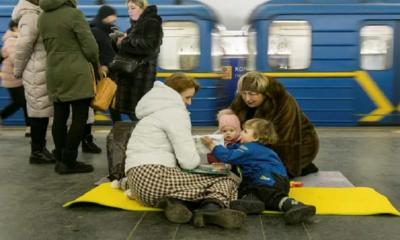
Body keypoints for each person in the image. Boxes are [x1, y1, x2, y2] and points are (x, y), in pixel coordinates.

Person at [125, 73, 246, 229]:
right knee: (228, 177)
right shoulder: (175, 113)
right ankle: (212, 208)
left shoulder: (152, 112)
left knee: (193, 183)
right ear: (174, 95)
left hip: (139, 187)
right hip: (155, 177)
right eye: (187, 97)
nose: (189, 103)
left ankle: (175, 204)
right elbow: (189, 162)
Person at [202, 118, 316, 224]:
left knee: (269, 194)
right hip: (267, 180)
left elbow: (229, 156)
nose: (241, 133)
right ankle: (252, 202)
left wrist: (213, 145)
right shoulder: (254, 148)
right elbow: (235, 153)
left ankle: (295, 206)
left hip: (270, 179)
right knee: (254, 191)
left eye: (245, 131)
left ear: (255, 138)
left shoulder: (250, 148)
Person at [38, 0, 99, 174]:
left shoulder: (42, 17)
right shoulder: (74, 14)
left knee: (60, 116)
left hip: (53, 70)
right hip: (75, 71)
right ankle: (69, 161)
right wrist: (96, 63)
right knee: (79, 117)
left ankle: (60, 159)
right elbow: (91, 48)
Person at [230, 71, 319, 178]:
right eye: (244, 93)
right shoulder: (242, 99)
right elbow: (231, 124)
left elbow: (287, 139)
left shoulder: (283, 102)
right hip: (260, 143)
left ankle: (302, 166)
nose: (247, 99)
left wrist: (284, 171)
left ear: (264, 92)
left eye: (252, 94)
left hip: (300, 146)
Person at [12, 0, 55, 164]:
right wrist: (18, 68)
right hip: (35, 70)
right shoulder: (30, 16)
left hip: (40, 68)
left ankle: (40, 149)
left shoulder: (36, 13)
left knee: (41, 111)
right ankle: (36, 152)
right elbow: (23, 45)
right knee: (39, 112)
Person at [113, 0, 163, 120]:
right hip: (133, 76)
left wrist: (125, 41)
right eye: (128, 8)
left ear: (142, 8)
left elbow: (149, 46)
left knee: (139, 114)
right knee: (135, 114)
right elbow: (128, 48)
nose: (129, 11)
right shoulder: (136, 26)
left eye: (133, 8)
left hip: (141, 77)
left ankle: (144, 138)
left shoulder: (152, 23)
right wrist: (117, 41)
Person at [90, 4, 121, 124]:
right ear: (104, 17)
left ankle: (117, 127)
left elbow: (113, 51)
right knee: (96, 103)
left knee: (112, 104)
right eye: (111, 16)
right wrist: (101, 65)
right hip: (100, 74)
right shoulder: (94, 31)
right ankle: (85, 134)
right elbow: (93, 52)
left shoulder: (111, 31)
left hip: (112, 73)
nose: (114, 19)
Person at [0, 20, 31, 137]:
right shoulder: (12, 40)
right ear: (14, 28)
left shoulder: (16, 39)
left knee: (24, 103)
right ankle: (2, 116)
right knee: (20, 102)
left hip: (17, 78)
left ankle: (29, 127)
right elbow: (16, 59)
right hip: (12, 79)